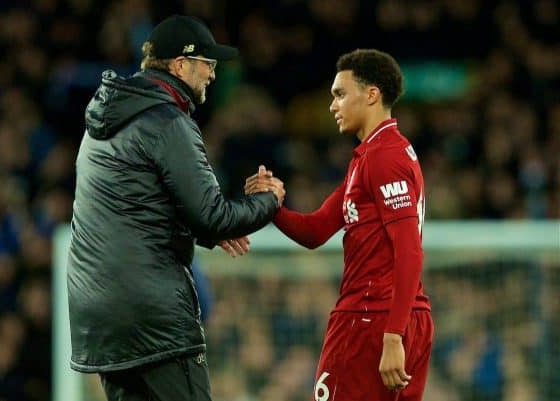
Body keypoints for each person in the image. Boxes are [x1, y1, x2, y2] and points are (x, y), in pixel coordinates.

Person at [66, 15, 285, 401]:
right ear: (180, 65)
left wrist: (209, 235)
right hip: (152, 315)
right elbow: (213, 214)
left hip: (99, 318)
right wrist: (268, 200)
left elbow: (139, 209)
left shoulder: (103, 122)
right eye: (208, 64)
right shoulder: (167, 121)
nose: (213, 75)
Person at [246, 49, 434, 401]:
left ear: (372, 95)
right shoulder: (375, 156)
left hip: (372, 319)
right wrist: (272, 206)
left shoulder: (384, 157)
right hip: (407, 316)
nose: (333, 105)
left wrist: (392, 336)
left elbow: (409, 250)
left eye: (340, 94)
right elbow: (316, 230)